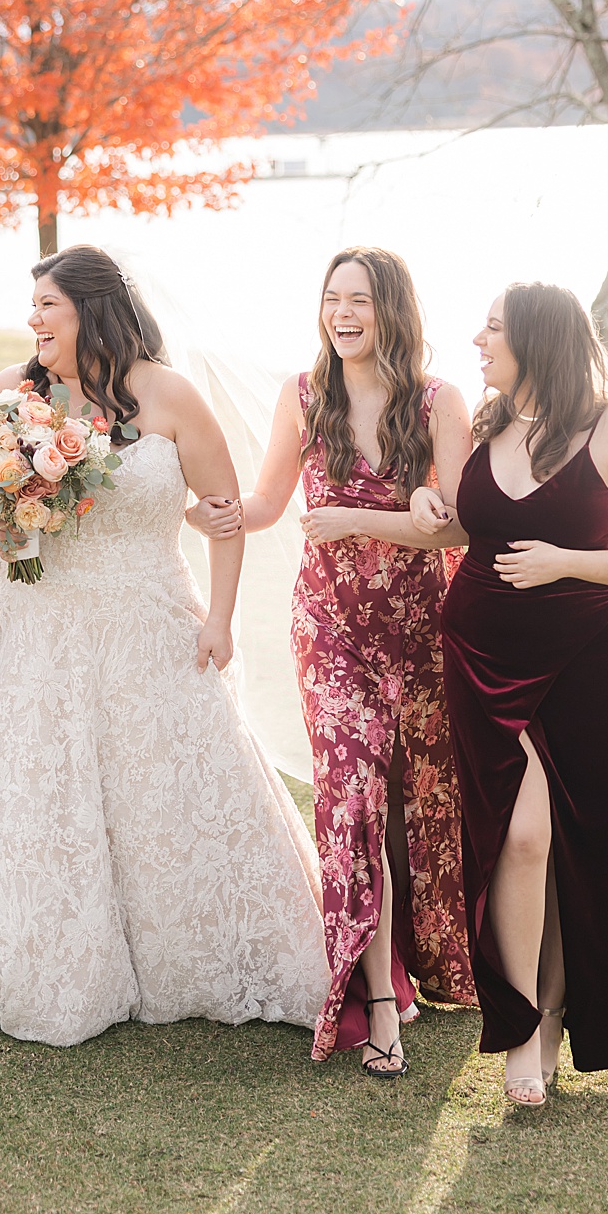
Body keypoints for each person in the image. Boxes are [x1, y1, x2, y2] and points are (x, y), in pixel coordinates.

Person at [0, 246, 328, 1046]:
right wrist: (2, 502)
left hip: (150, 619)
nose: (33, 320)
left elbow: (224, 514)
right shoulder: (15, 395)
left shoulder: (170, 393)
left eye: (47, 306)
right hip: (41, 628)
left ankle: (190, 955)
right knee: (42, 787)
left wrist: (220, 620)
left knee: (163, 786)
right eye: (33, 306)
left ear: (91, 311)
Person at [192, 247, 476, 1076]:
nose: (342, 315)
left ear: (393, 310)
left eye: (359, 301)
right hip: (330, 627)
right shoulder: (303, 395)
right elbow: (267, 503)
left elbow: (463, 524)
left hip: (421, 630)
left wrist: (359, 518)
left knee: (422, 803)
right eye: (331, 299)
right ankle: (376, 997)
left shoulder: (439, 400)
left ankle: (431, 964)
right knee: (351, 803)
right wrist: (210, 509)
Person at [413, 283, 608, 1105]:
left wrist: (564, 563)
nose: (478, 340)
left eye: (493, 328)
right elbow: (469, 524)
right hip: (483, 655)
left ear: (537, 340)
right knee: (522, 838)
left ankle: (553, 1018)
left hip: (588, 659)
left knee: (585, 843)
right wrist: (424, 502)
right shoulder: (491, 424)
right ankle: (519, 1026)